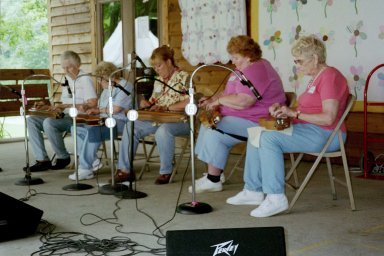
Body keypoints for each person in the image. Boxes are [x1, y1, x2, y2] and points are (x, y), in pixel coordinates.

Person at [226, 35, 349, 217]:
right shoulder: (316, 77)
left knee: (268, 139)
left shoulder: (330, 77)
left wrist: (295, 113)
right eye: (295, 61)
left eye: (300, 61)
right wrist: (286, 109)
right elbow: (308, 108)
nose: (297, 66)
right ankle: (253, 190)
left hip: (327, 134)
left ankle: (276, 198)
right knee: (256, 133)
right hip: (310, 129)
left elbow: (328, 118)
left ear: (314, 58)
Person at [190, 35, 286, 193]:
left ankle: (213, 179)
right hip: (243, 118)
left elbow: (245, 101)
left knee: (214, 125)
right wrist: (213, 99)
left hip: (259, 121)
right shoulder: (242, 69)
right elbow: (229, 92)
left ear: (248, 56)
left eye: (236, 58)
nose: (233, 61)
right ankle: (214, 177)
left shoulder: (257, 69)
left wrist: (219, 102)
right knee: (213, 129)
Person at [115, 45, 190, 184]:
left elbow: (190, 101)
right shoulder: (158, 80)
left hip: (180, 120)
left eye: (159, 65)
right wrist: (147, 104)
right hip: (158, 119)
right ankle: (125, 171)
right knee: (131, 125)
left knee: (163, 130)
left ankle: (166, 171)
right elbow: (154, 101)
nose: (157, 69)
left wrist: (168, 107)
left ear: (169, 62)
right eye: (154, 67)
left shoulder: (184, 76)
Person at [26, 51, 97, 172]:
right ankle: (42, 159)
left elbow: (92, 103)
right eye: (63, 68)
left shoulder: (85, 79)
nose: (66, 71)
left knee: (49, 122)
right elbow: (63, 104)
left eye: (69, 67)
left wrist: (66, 105)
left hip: (80, 118)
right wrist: (46, 106)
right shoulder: (66, 79)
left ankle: (63, 157)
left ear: (78, 65)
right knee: (32, 120)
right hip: (65, 115)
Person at [68, 61, 133, 180]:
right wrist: (91, 108)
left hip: (120, 122)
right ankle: (93, 161)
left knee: (94, 130)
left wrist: (98, 111)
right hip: (104, 120)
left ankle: (85, 168)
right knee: (76, 128)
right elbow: (101, 108)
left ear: (109, 77)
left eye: (100, 79)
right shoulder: (106, 89)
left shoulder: (124, 86)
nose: (98, 82)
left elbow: (117, 109)